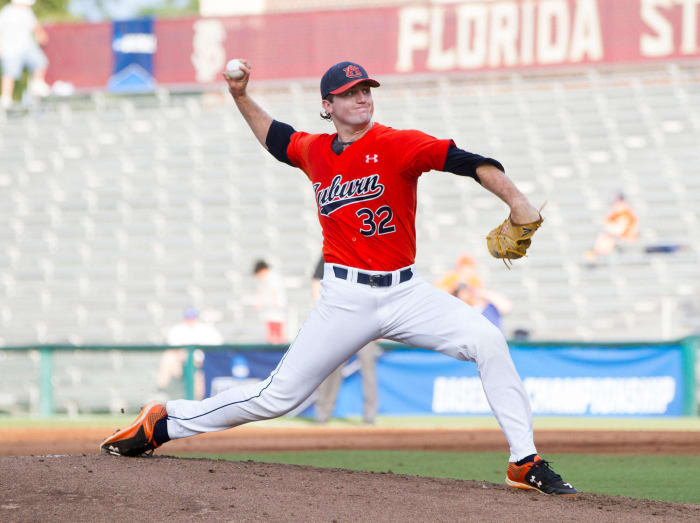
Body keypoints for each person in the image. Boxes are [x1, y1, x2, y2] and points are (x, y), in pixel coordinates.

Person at [101, 60, 577, 496]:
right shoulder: (313, 150)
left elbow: (470, 161)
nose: (362, 97)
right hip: (345, 297)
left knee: (488, 340)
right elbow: (275, 137)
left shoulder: (396, 143)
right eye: (350, 92)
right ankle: (165, 422)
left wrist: (516, 200)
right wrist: (240, 95)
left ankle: (523, 460)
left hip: (406, 292)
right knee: (277, 398)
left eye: (366, 89)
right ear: (328, 106)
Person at [311, 255, 378, 424]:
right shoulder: (332, 250)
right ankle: (323, 412)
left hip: (365, 321)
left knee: (368, 369)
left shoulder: (369, 252)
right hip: (339, 320)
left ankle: (370, 415)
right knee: (331, 368)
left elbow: (379, 288)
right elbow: (316, 281)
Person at [158, 307, 224, 400]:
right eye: (188, 318)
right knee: (168, 356)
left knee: (199, 380)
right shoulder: (178, 329)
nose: (191, 320)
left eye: (193, 318)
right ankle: (161, 390)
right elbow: (174, 349)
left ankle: (198, 404)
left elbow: (217, 347)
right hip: (181, 363)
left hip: (203, 365)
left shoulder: (207, 329)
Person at [0, 0, 50, 110]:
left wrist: (40, 35)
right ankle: (6, 97)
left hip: (26, 47)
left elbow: (35, 27)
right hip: (10, 50)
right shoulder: (5, 13)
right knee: (10, 74)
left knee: (40, 62)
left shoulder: (27, 12)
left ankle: (37, 83)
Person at [585, 193, 639, 261]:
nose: (615, 204)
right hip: (617, 238)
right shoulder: (616, 213)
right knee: (605, 237)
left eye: (617, 202)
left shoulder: (627, 213)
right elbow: (607, 223)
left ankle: (596, 256)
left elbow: (628, 230)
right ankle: (595, 256)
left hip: (625, 238)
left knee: (607, 238)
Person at [252, 259, 287, 344]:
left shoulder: (272, 278)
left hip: (276, 310)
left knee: (277, 334)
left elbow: (274, 292)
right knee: (271, 334)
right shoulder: (265, 280)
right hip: (270, 311)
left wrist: (270, 302)